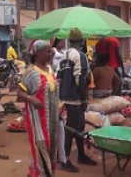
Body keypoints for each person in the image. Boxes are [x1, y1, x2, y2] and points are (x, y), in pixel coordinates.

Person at [57, 28, 97, 172]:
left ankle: (81, 155)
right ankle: (65, 160)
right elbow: (80, 79)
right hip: (75, 97)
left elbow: (59, 77)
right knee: (71, 129)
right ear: (81, 41)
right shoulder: (80, 55)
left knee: (79, 127)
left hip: (65, 96)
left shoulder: (64, 55)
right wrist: (84, 99)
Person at [17, 40, 59, 177]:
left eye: (50, 51)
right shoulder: (31, 72)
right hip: (37, 119)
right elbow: (20, 92)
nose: (50, 54)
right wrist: (31, 99)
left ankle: (39, 173)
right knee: (41, 145)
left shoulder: (50, 69)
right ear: (37, 54)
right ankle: (40, 173)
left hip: (51, 118)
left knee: (51, 145)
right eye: (47, 51)